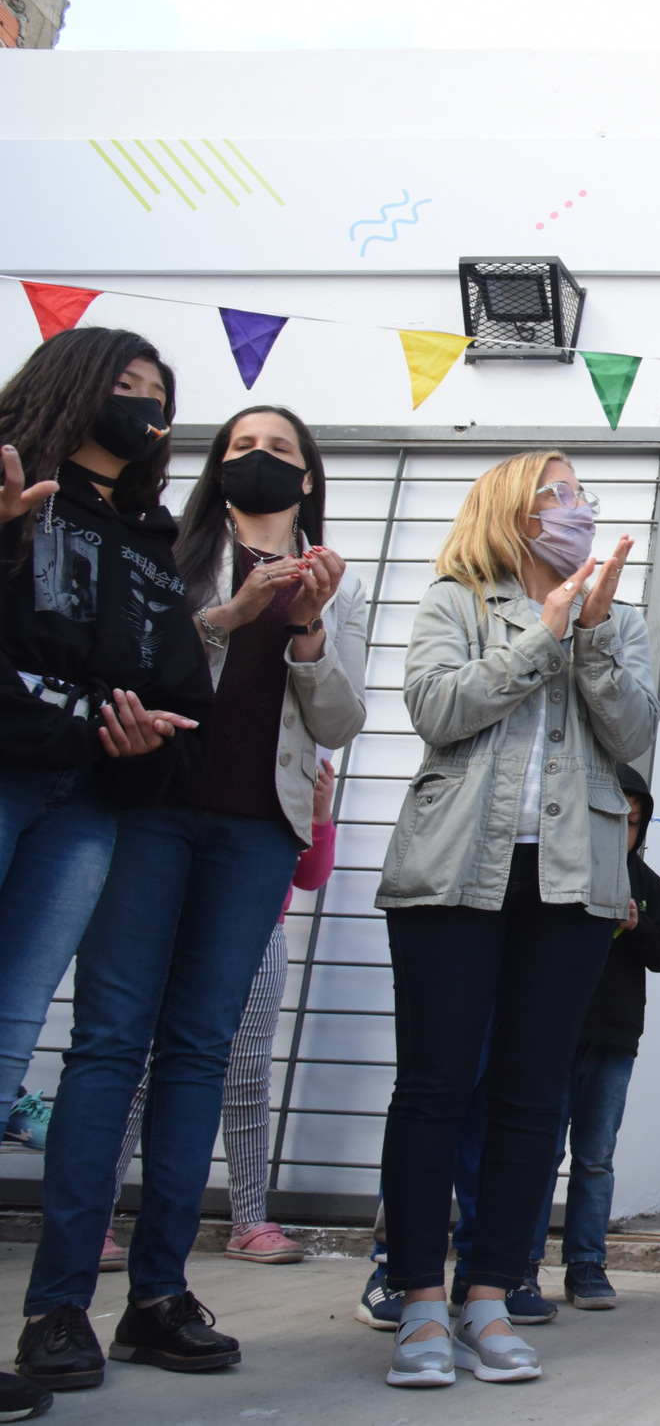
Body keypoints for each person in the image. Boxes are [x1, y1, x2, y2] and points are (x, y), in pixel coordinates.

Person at [19, 403, 366, 1392]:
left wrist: (305, 630)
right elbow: (129, 666)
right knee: (110, 1041)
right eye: (242, 448)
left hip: (258, 828)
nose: (259, 462)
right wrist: (229, 613)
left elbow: (341, 714)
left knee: (200, 1050)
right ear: (216, 468)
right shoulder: (168, 548)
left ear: (308, 477)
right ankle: (56, 1304)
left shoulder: (341, 576)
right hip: (150, 811)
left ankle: (161, 1295)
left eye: (281, 451)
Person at [374, 450, 657, 1390]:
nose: (578, 508)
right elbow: (437, 707)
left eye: (583, 495)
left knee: (536, 1093)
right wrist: (540, 632)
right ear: (512, 510)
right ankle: (418, 1295)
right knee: (436, 1084)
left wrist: (594, 629)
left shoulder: (620, 619)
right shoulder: (455, 597)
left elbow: (633, 735)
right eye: (559, 494)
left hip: (572, 881)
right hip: (455, 870)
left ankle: (491, 1293)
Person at [0, 331, 210, 1426]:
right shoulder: (10, 484)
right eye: (125, 390)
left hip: (85, 797)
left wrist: (143, 734)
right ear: (67, 389)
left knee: (8, 1034)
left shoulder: (145, 532)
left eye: (159, 399)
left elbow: (172, 678)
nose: (145, 411)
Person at [100, 756, 340, 1272]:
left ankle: (250, 1219)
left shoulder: (295, 767)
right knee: (138, 1073)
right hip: (172, 925)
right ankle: (96, 1217)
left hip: (260, 935)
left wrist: (320, 814)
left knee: (247, 1077)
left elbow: (311, 876)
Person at [536, 761, 660, 1311]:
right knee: (540, 1151)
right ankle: (522, 1264)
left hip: (615, 1038)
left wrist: (635, 923)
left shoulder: (649, 886)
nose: (621, 832)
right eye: (611, 819)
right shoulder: (556, 869)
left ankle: (587, 1265)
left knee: (595, 1157)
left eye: (633, 823)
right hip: (552, 1032)